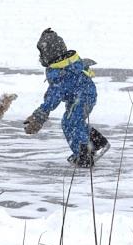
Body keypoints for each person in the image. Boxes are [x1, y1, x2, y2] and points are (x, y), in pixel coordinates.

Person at [22, 28, 109, 167]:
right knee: (73, 122)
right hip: (82, 96)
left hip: (82, 98)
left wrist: (40, 115)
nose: (40, 57)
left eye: (42, 53)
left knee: (71, 123)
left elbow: (53, 97)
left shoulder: (61, 73)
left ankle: (84, 156)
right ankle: (98, 143)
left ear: (49, 54)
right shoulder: (65, 65)